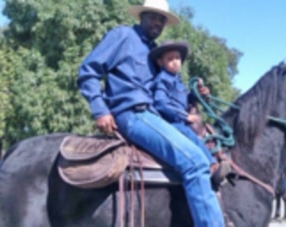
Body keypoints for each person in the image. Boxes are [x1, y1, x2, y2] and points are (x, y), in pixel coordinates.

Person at [77, 0, 225, 226]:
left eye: (162, 19)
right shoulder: (123, 36)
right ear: (141, 16)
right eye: (153, 16)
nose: (158, 22)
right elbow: (88, 71)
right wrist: (100, 110)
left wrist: (195, 98)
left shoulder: (157, 53)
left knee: (206, 154)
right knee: (195, 163)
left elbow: (167, 97)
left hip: (154, 118)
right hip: (132, 115)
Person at [149, 40, 231, 184]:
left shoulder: (178, 81)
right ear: (160, 62)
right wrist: (185, 116)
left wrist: (198, 95)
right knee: (188, 135)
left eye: (177, 58)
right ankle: (211, 165)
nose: (175, 62)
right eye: (170, 59)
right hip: (169, 123)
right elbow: (161, 103)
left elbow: (185, 100)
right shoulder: (162, 80)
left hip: (178, 120)